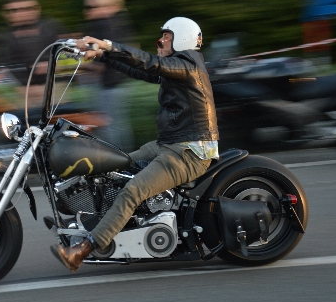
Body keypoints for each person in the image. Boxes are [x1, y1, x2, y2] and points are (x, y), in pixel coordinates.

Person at [50, 17, 220, 273]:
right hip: (169, 144)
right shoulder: (177, 70)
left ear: (182, 38)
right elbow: (139, 70)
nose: (160, 40)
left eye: (167, 36)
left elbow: (149, 63)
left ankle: (85, 248)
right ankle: (99, 221)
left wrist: (108, 45)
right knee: (115, 167)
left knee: (133, 190)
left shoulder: (189, 65)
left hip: (190, 152)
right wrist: (101, 56)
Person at [80, 0, 136, 151]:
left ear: (114, 7)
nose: (89, 11)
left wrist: (85, 64)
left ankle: (117, 160)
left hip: (109, 84)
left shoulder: (105, 25)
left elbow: (104, 56)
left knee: (108, 125)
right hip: (116, 82)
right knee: (116, 124)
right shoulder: (119, 23)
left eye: (95, 7)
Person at [0, 0, 66, 108]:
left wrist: (56, 65)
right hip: (23, 93)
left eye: (29, 8)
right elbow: (5, 66)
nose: (23, 13)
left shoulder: (52, 27)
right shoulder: (3, 37)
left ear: (38, 9)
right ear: (6, 14)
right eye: (15, 10)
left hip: (58, 87)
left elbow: (71, 54)